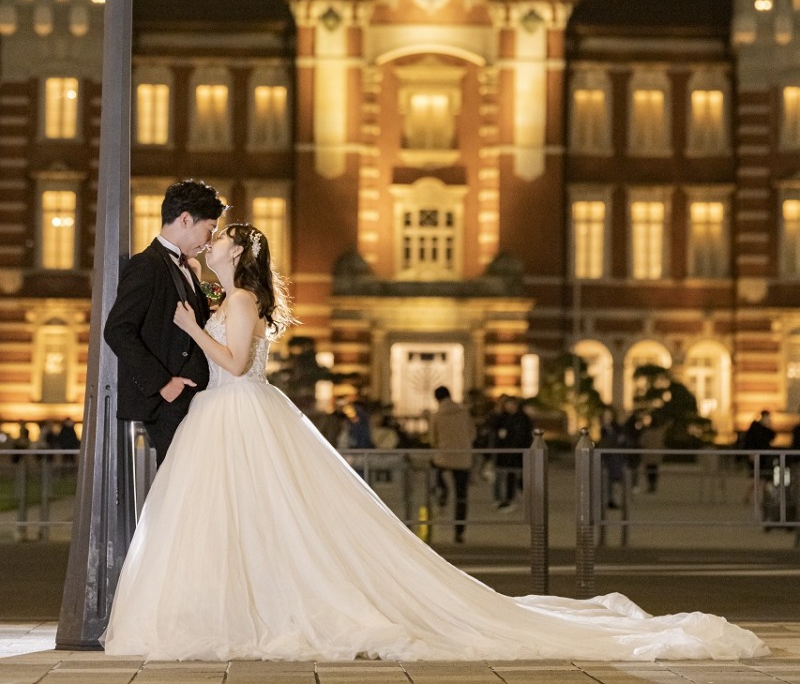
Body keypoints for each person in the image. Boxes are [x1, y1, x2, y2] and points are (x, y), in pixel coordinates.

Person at [104, 222, 766, 663]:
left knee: (271, 522)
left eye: (220, 239)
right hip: (226, 418)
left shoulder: (240, 299)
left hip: (238, 411)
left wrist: (193, 330)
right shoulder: (228, 289)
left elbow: (238, 357)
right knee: (249, 522)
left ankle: (251, 611)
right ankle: (239, 610)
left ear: (240, 255)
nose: (211, 242)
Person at [104, 179, 227, 465]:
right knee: (180, 484)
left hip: (190, 400)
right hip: (169, 402)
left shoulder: (183, 266)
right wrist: (163, 384)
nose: (209, 240)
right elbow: (117, 329)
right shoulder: (147, 265)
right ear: (185, 219)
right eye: (209, 229)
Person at [429, 384, 476, 543]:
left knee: (434, 469)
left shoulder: (437, 415)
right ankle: (459, 531)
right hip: (463, 458)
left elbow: (432, 439)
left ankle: (442, 491)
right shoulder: (463, 412)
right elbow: (472, 433)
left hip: (444, 457)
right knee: (462, 496)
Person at [491, 395, 533, 509]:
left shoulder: (522, 418)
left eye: (511, 405)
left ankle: (514, 499)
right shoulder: (502, 417)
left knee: (517, 476)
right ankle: (504, 499)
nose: (508, 407)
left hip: (518, 452)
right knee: (507, 476)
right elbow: (494, 430)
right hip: (504, 452)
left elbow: (524, 436)